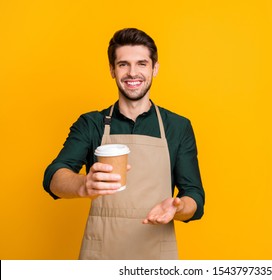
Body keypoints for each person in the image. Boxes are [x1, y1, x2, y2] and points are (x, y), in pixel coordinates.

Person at [43, 28, 205, 260]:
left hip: (156, 255)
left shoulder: (177, 127)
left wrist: (177, 208)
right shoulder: (92, 124)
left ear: (154, 68)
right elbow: (53, 177)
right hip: (101, 254)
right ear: (112, 70)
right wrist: (83, 184)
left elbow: (195, 197)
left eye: (141, 63)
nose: (132, 73)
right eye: (123, 64)